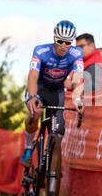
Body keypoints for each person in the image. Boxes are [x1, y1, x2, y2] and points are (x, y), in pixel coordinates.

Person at [20, 20, 84, 168]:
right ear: (54, 39)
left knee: (59, 131)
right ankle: (29, 148)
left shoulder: (76, 53)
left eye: (67, 43)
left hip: (57, 91)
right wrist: (33, 97)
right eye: (60, 41)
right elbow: (33, 76)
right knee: (35, 112)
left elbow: (78, 78)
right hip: (39, 88)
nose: (63, 46)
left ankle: (52, 178)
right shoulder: (41, 51)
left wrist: (77, 98)